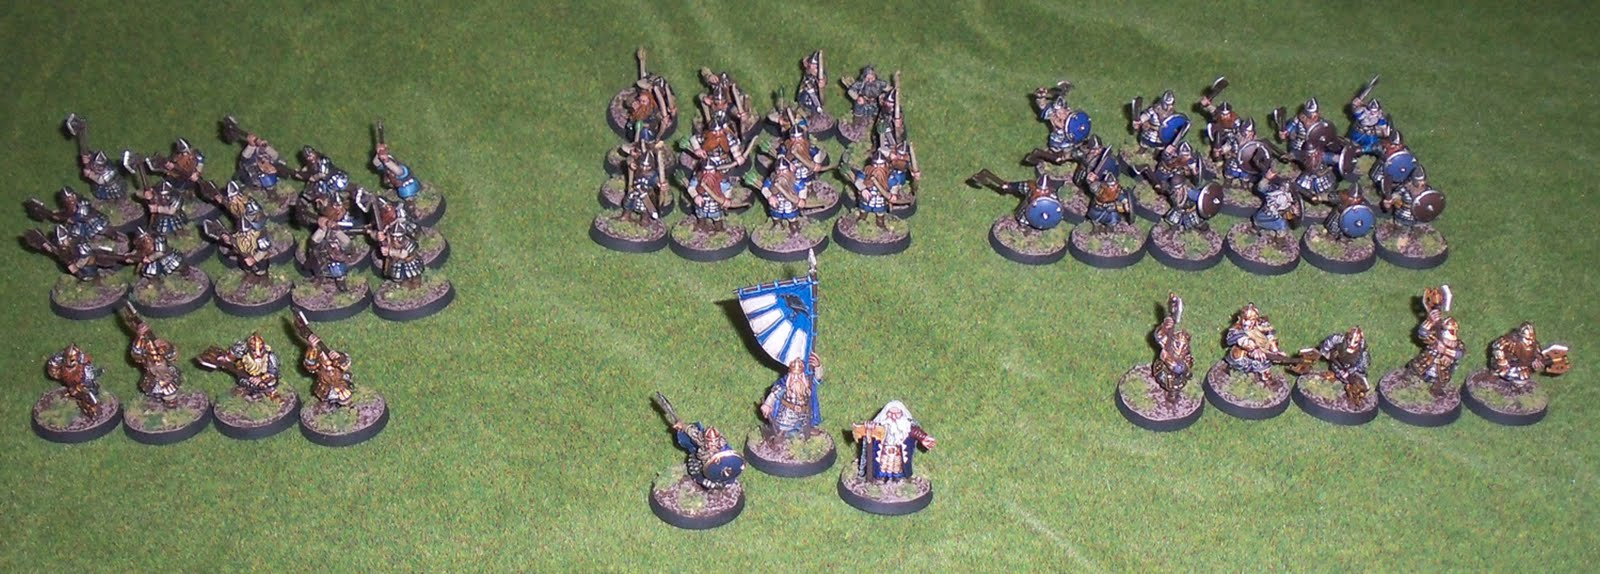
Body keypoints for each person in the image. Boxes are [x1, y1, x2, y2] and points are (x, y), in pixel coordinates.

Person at [851, 401, 936, 483]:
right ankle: (880, 480)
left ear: (903, 414)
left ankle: (897, 481)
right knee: (881, 469)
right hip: (883, 455)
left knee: (897, 470)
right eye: (890, 413)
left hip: (897, 455)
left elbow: (915, 432)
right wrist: (870, 427)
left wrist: (924, 438)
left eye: (897, 414)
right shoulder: (880, 425)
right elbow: (869, 432)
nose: (893, 417)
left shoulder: (906, 427)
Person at [760, 354, 823, 438]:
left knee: (804, 429)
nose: (796, 378)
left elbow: (817, 379)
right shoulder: (784, 384)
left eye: (799, 375)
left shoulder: (807, 383)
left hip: (804, 414)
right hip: (787, 415)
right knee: (785, 432)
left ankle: (804, 432)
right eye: (793, 375)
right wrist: (767, 405)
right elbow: (774, 393)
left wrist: (818, 367)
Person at [1489, 323, 1567, 390]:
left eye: (1532, 339)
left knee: (1522, 377)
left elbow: (1537, 355)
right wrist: (1502, 362)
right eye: (1527, 339)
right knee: (1497, 370)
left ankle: (1511, 389)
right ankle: (1493, 376)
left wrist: (1537, 362)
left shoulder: (1534, 344)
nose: (1530, 342)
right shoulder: (1510, 341)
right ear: (1520, 336)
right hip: (1504, 364)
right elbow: (1497, 347)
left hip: (1521, 367)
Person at [1225, 304, 1286, 387]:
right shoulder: (1236, 330)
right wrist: (1254, 349)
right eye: (1245, 319)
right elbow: (1242, 340)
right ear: (1240, 318)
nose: (1247, 323)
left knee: (1264, 362)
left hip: (1261, 352)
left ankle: (1265, 378)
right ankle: (1233, 372)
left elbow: (1270, 336)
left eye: (1251, 320)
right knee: (1239, 365)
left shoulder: (1261, 325)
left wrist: (1275, 351)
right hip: (1242, 355)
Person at [1409, 310, 1465, 397]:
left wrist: (1445, 350)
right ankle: (1407, 380)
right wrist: (1429, 321)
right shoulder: (1436, 338)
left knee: (1442, 380)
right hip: (1427, 361)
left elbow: (1459, 354)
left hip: (1443, 367)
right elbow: (1423, 333)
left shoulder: (1458, 344)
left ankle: (1436, 390)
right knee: (1415, 369)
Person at [1151, 293, 1193, 402]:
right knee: (1159, 377)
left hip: (1175, 378)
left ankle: (1172, 396)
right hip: (1162, 369)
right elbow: (1159, 336)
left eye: (1183, 345)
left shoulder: (1186, 355)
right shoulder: (1170, 343)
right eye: (1178, 343)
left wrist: (1174, 364)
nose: (1180, 347)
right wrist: (1165, 328)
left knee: (1173, 389)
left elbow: (1185, 366)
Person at [129, 319, 183, 404]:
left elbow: (172, 354)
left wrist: (166, 345)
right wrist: (139, 337)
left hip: (161, 367)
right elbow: (136, 354)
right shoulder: (144, 350)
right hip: (153, 367)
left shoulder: (155, 382)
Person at [1314, 326, 1371, 403]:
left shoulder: (1362, 350)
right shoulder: (1340, 339)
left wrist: (1354, 369)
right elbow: (1330, 342)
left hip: (1352, 368)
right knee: (1337, 373)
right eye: (1350, 340)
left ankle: (1353, 392)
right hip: (1338, 364)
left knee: (1357, 380)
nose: (1352, 344)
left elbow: (1365, 363)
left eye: (1355, 342)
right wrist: (1325, 352)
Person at [46, 344, 104, 418]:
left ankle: (91, 402)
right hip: (75, 385)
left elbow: (87, 362)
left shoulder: (81, 359)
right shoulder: (63, 366)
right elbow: (54, 370)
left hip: (84, 379)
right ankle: (89, 407)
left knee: (92, 389)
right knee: (86, 394)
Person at [303, 333, 355, 409]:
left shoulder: (334, 362)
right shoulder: (319, 364)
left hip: (336, 376)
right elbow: (310, 365)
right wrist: (312, 348)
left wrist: (339, 356)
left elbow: (346, 362)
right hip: (327, 378)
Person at [373, 142, 424, 217]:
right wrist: (379, 154)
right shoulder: (390, 176)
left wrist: (387, 161)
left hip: (408, 187)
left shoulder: (401, 175)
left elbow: (398, 171)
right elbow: (376, 163)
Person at [1133, 90, 1179, 154]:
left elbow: (1174, 126)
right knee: (1144, 144)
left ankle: (1156, 156)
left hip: (1162, 137)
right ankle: (1141, 151)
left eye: (1171, 104)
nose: (1169, 107)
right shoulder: (1154, 109)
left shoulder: (1173, 115)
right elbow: (1146, 115)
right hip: (1149, 132)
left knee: (1159, 149)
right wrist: (1140, 121)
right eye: (1167, 104)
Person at [795, 51, 826, 117]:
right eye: (811, 65)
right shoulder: (808, 73)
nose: (812, 68)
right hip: (804, 99)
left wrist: (822, 82)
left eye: (815, 67)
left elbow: (823, 79)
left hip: (814, 102)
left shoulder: (819, 74)